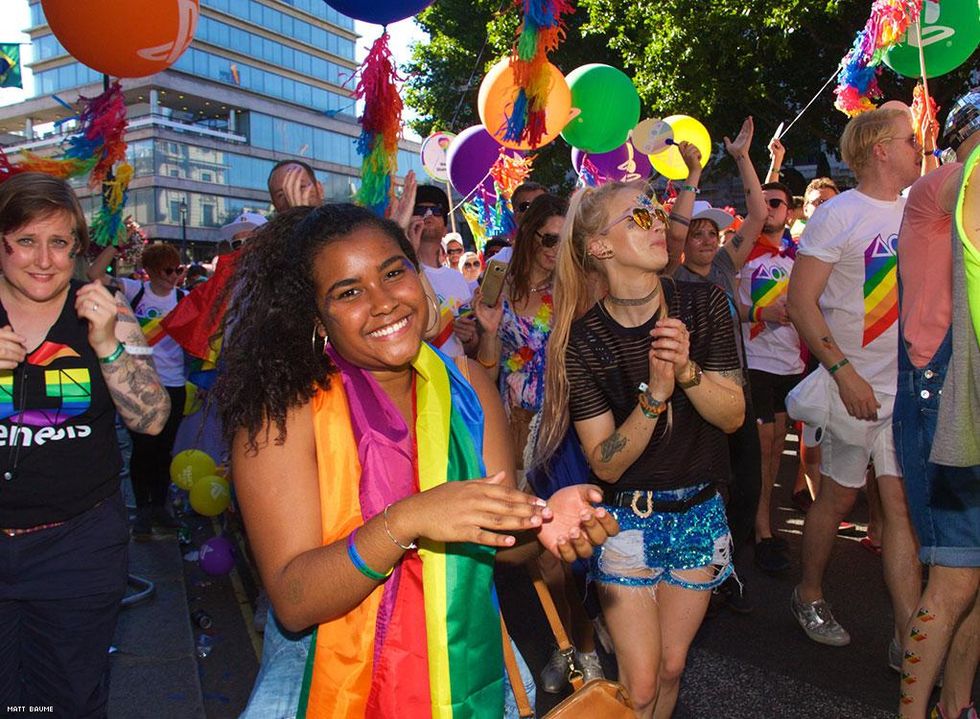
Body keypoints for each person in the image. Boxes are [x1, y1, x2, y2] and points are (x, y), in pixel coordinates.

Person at [212, 204, 618, 718]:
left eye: (392, 272)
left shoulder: (469, 387)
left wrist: (543, 524)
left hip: (465, 672)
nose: (383, 303)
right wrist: (408, 520)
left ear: (418, 274)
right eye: (349, 291)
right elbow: (294, 600)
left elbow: (499, 545)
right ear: (317, 317)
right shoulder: (283, 415)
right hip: (326, 684)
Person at [538, 181, 744, 718]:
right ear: (600, 247)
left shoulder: (704, 305)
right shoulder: (582, 341)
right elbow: (605, 460)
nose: (657, 223)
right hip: (628, 519)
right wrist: (655, 396)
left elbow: (734, 415)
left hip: (699, 509)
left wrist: (686, 371)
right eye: (638, 216)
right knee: (643, 684)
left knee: (673, 668)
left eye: (656, 211)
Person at [0, 172, 170, 716]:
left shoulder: (106, 309)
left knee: (68, 701)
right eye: (26, 241)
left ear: (77, 246)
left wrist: (108, 348)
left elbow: (152, 419)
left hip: (75, 545)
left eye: (59, 243)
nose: (45, 260)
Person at [786, 107, 922, 651]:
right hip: (853, 392)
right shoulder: (837, 215)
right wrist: (843, 374)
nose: (919, 146)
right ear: (880, 149)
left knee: (899, 507)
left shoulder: (919, 211)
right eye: (910, 139)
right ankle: (809, 593)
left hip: (903, 392)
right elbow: (800, 302)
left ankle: (909, 635)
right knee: (839, 501)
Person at [893, 88, 980, 719]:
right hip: (939, 392)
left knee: (976, 582)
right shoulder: (941, 186)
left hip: (965, 387)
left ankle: (955, 708)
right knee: (954, 576)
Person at [667, 116, 767, 605]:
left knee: (749, 484)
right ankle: (705, 573)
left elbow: (759, 213)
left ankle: (728, 565)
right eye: (699, 232)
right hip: (695, 402)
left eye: (714, 233)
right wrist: (692, 177)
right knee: (712, 490)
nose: (707, 239)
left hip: (738, 395)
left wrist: (744, 157)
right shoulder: (672, 279)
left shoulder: (726, 267)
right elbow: (673, 232)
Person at [88, 242, 190, 539]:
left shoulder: (184, 298)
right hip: (139, 384)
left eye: (178, 269)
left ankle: (159, 506)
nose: (174, 276)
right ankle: (143, 508)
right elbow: (95, 273)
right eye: (168, 270)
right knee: (143, 449)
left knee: (164, 450)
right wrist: (115, 246)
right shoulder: (135, 291)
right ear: (152, 271)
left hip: (174, 384)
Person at [414, 185, 478, 357]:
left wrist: (468, 338)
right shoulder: (403, 272)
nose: (428, 215)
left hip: (455, 375)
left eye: (436, 210)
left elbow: (471, 348)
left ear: (445, 229)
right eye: (420, 210)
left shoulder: (457, 278)